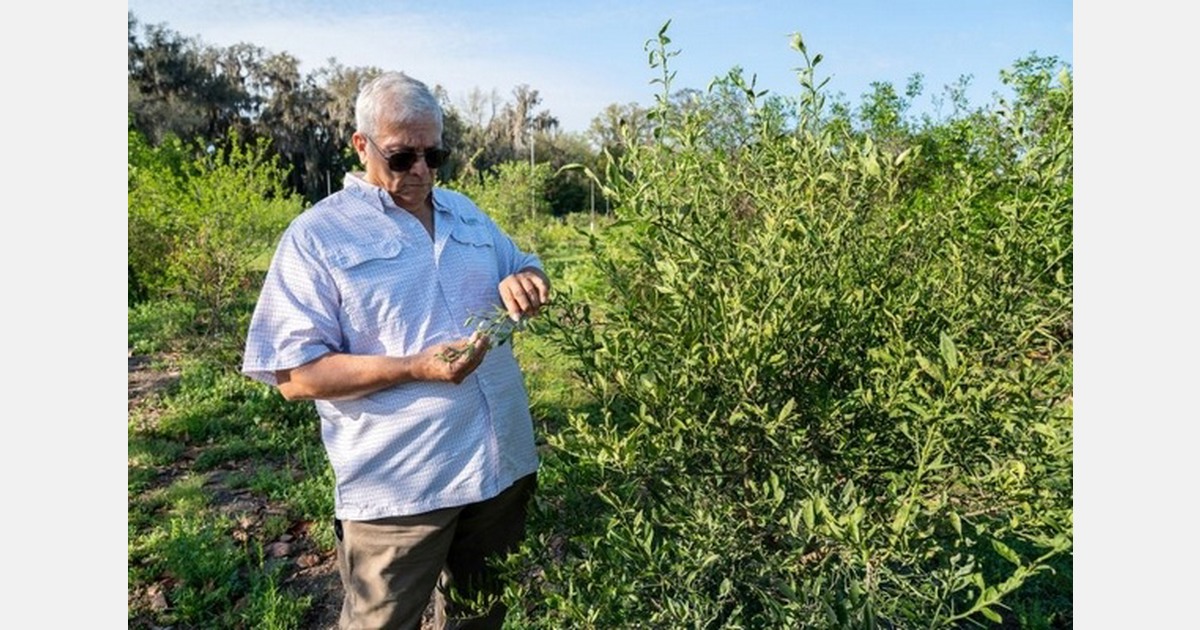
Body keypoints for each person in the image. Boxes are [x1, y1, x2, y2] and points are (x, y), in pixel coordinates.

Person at [242, 71, 550, 629]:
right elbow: (294, 375)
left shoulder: (466, 214)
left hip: (501, 469)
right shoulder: (319, 236)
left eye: (436, 155)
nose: (422, 172)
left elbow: (524, 263)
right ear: (361, 145)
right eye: (403, 156)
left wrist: (527, 279)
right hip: (403, 490)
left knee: (482, 616)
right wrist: (414, 367)